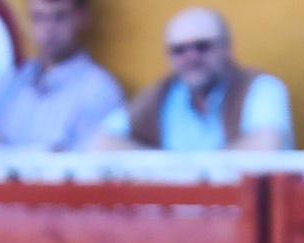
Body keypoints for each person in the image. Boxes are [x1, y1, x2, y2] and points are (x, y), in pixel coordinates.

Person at [94, 7, 293, 152]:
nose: (191, 58)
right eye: (179, 50)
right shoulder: (161, 94)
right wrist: (168, 169)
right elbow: (103, 143)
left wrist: (180, 171)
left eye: (202, 46)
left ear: (227, 48)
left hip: (242, 206)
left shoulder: (260, 88)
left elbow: (265, 147)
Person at [0, 0, 123, 152]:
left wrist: (3, 150)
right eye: (39, 17)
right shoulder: (10, 82)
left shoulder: (100, 91)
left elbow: (87, 166)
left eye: (60, 17)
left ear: (82, 17)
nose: (48, 29)